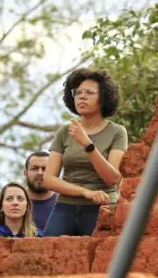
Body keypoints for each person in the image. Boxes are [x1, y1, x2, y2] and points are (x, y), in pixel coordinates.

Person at [43, 68, 128, 236]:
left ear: (103, 98)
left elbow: (112, 178)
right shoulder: (64, 132)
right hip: (65, 206)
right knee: (48, 256)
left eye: (89, 92)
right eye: (77, 92)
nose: (82, 96)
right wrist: (85, 192)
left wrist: (87, 144)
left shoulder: (118, 132)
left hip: (101, 208)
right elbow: (49, 180)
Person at [0, 151, 57, 232]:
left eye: (45, 169)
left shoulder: (63, 204)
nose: (39, 173)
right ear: (25, 173)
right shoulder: (9, 202)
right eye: (34, 168)